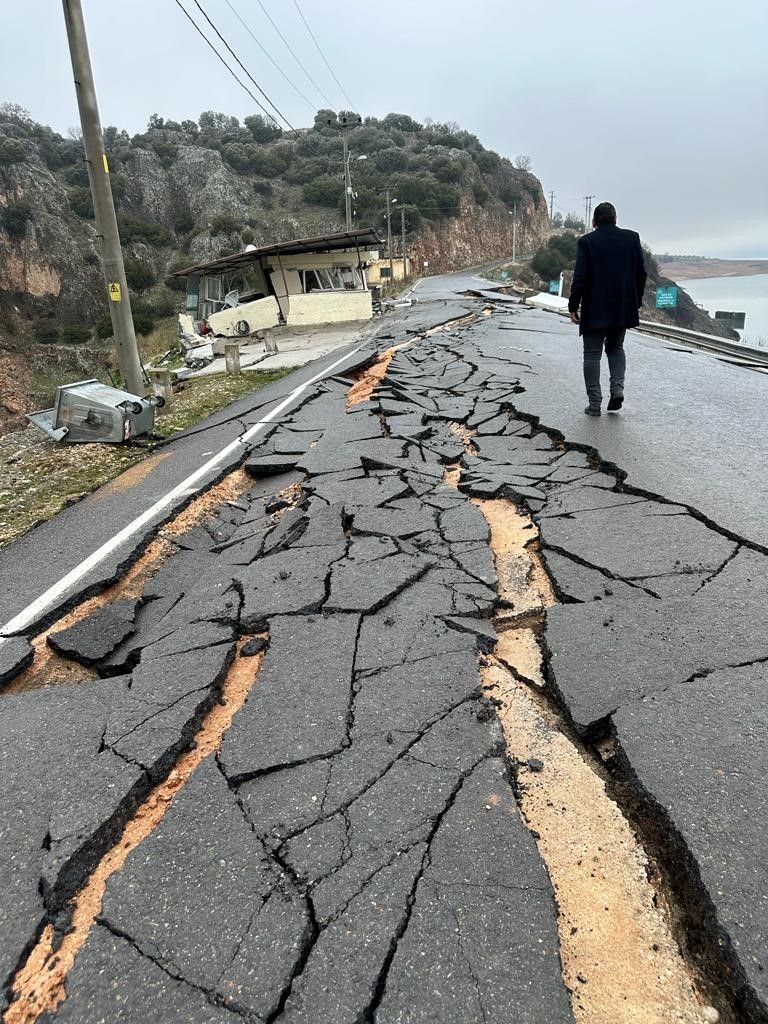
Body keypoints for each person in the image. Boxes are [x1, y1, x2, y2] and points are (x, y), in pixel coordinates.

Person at [568, 202, 647, 415]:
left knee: (592, 354)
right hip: (622, 306)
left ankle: (594, 404)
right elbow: (641, 274)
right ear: (615, 220)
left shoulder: (587, 242)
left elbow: (580, 277)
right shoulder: (632, 238)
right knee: (615, 348)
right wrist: (636, 301)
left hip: (595, 308)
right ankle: (617, 389)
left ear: (594, 222)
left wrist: (573, 305)